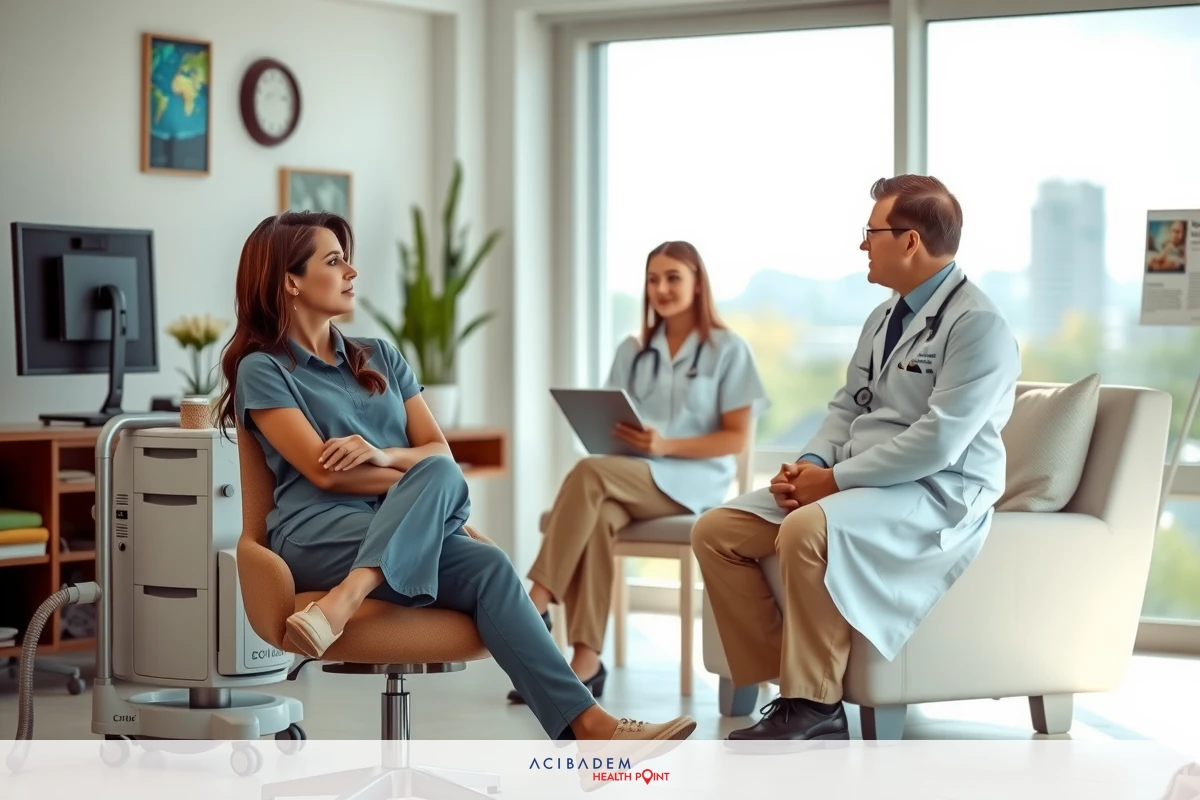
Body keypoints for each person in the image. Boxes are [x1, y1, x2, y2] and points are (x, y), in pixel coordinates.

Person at [214, 211, 697, 745]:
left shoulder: (382, 357)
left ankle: (589, 727)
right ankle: (349, 592)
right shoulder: (264, 368)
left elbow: (439, 449)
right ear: (291, 280)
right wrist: (410, 471)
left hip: (395, 530)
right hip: (316, 535)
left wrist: (380, 456)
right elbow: (323, 475)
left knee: (482, 550)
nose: (351, 271)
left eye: (348, 259)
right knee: (438, 474)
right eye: (334, 261)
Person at [691, 175, 1020, 742]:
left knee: (804, 529)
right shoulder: (882, 318)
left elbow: (938, 442)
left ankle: (814, 704)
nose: (862, 245)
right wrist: (808, 464)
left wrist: (833, 481)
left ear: (910, 240)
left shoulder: (979, 326)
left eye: (871, 232)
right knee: (716, 530)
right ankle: (788, 684)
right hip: (864, 481)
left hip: (937, 490)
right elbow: (849, 406)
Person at [508, 241, 769, 704]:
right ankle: (586, 662)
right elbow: (611, 417)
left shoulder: (728, 350)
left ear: (696, 284)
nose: (661, 289)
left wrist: (665, 444)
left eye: (673, 278)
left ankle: (535, 601)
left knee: (590, 475)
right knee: (600, 514)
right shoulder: (634, 350)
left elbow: (735, 438)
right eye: (653, 279)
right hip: (631, 476)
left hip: (693, 481)